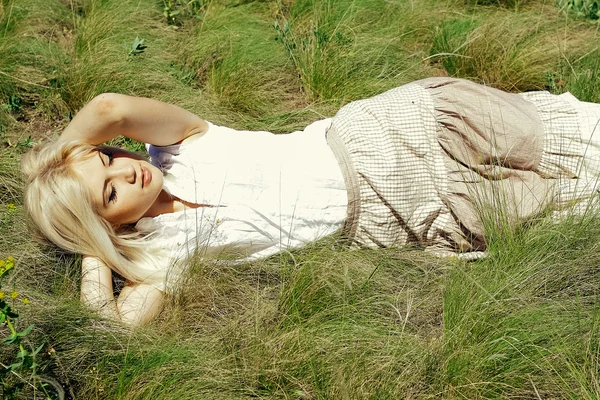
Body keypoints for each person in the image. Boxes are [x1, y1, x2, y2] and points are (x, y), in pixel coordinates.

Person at [21, 77, 600, 325]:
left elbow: (107, 110)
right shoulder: (162, 257)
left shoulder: (182, 145)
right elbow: (115, 328)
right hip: (395, 209)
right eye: (110, 191)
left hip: (392, 131)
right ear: (103, 222)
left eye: (110, 158)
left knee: (568, 136)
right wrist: (95, 253)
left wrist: (64, 157)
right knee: (568, 202)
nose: (128, 170)